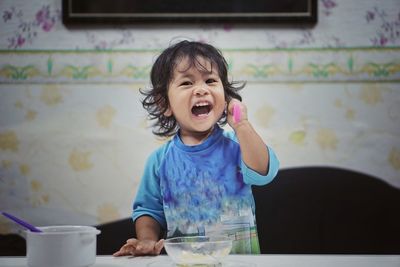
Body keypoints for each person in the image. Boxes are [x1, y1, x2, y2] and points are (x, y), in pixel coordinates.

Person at [113, 40, 279, 257]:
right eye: (186, 83)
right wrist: (147, 240)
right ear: (165, 104)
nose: (201, 90)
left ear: (225, 96)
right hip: (184, 262)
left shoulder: (237, 145)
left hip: (238, 262)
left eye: (210, 80)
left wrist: (242, 125)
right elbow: (149, 211)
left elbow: (264, 172)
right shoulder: (159, 160)